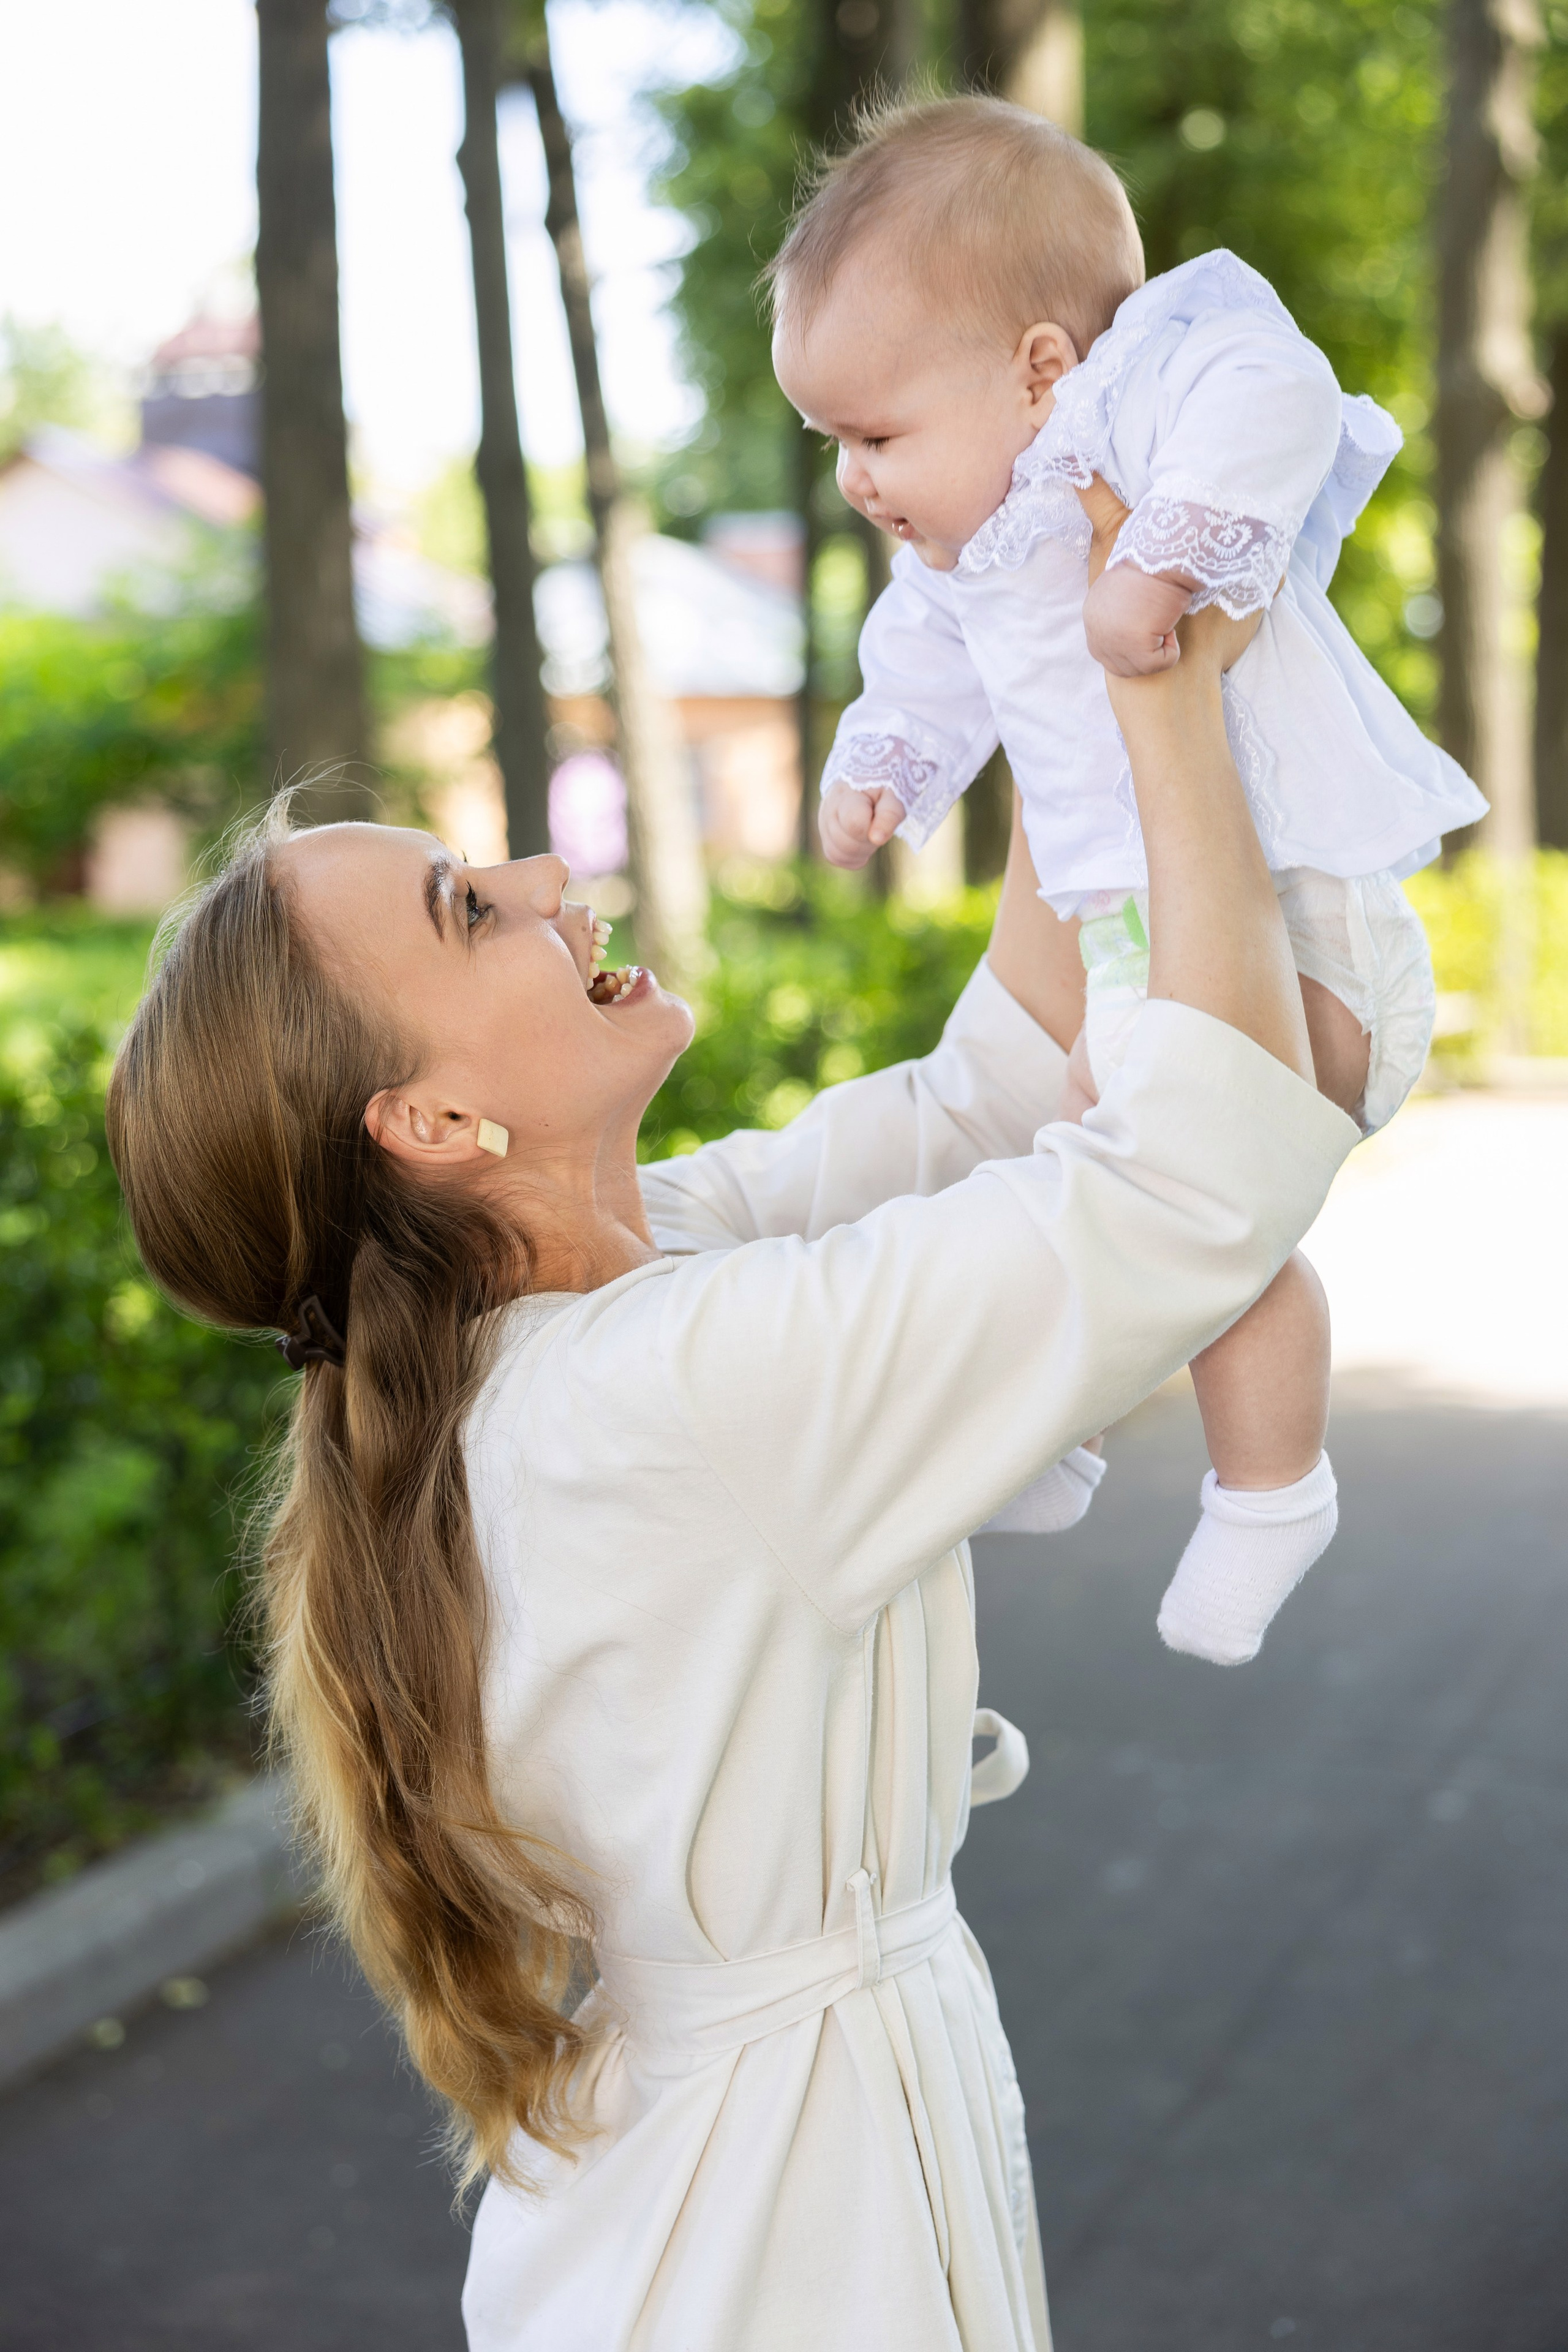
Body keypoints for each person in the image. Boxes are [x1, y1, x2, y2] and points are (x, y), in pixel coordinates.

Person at [105, 503, 1357, 2350]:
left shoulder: (618, 1281)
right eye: (471, 911)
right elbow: (1193, 1186)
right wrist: (1164, 701)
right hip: (775, 2246)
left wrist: (1032, 598)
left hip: (741, 2178)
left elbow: (991, 1088)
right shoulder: (655, 1395)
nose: (543, 872)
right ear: (435, 1129)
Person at [771, 94, 1483, 1667]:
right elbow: (927, 667)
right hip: (1131, 941)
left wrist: (1168, 554)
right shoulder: (955, 561)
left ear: (1035, 367)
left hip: (1297, 928)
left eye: (876, 436)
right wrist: (884, 761)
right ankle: (1077, 1435)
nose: (856, 484)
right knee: (1093, 1188)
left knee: (1196, 1199)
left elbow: (1273, 383)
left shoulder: (1133, 397)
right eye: (834, 447)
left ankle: (1269, 1487)